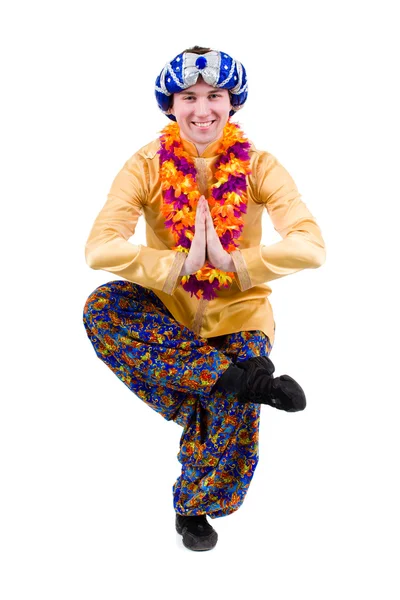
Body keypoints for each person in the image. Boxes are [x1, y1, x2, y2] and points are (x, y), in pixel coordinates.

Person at [82, 46, 326, 552]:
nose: (202, 109)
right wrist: (176, 266)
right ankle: (240, 380)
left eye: (214, 95)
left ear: (232, 103)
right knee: (102, 307)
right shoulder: (146, 166)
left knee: (230, 425)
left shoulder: (260, 165)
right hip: (164, 316)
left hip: (240, 314)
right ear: (170, 104)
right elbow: (98, 248)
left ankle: (193, 504)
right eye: (188, 96)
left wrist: (236, 263)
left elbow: (311, 246)